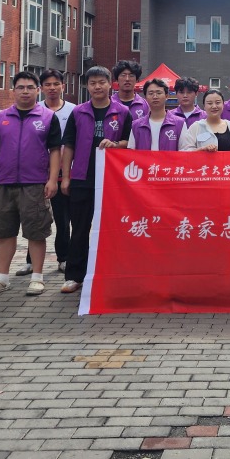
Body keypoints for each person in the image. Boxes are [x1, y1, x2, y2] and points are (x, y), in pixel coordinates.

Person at [0, 72, 61, 297]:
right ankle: (2, 278)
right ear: (13, 90)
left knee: (36, 232)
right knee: (4, 232)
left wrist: (52, 179)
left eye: (30, 87)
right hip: (3, 184)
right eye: (21, 87)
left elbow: (55, 151)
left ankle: (37, 278)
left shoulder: (48, 117)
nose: (25, 91)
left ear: (38, 90)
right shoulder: (0, 118)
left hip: (35, 184)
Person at [60, 66, 133, 294]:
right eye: (92, 83)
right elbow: (68, 146)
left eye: (101, 82)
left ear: (110, 84)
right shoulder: (78, 112)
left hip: (111, 181)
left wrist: (116, 145)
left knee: (112, 230)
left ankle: (111, 273)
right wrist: (66, 177)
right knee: (79, 229)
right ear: (87, 86)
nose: (97, 86)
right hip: (82, 179)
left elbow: (129, 143)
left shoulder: (123, 112)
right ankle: (74, 276)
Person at [17, 69, 74, 277]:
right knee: (33, 219)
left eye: (56, 84)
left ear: (63, 86)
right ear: (41, 88)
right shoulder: (35, 109)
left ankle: (64, 258)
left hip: (62, 174)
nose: (52, 88)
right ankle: (31, 261)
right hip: (37, 175)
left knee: (63, 220)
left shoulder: (74, 111)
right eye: (47, 84)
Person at [129, 78, 185, 151]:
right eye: (151, 93)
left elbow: (184, 152)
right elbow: (131, 153)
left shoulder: (180, 124)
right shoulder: (136, 125)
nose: (155, 96)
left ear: (166, 96)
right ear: (145, 97)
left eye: (159, 93)